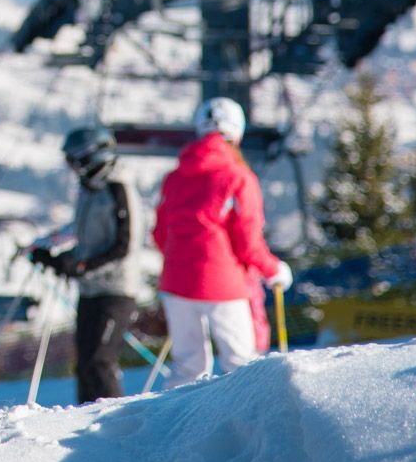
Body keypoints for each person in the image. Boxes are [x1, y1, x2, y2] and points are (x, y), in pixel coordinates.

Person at [151, 98, 291, 384]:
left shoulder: (175, 177)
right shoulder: (238, 177)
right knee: (242, 367)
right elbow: (249, 240)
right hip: (223, 284)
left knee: (187, 369)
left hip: (176, 283)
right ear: (237, 133)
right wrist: (273, 269)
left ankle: (176, 428)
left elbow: (160, 234)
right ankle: (247, 427)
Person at [28, 127, 155, 402]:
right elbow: (80, 232)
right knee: (85, 364)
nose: (74, 170)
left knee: (100, 362)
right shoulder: (89, 191)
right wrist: (48, 248)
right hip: (90, 291)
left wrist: (83, 265)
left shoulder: (117, 189)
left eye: (77, 162)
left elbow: (123, 246)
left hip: (115, 291)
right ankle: (85, 428)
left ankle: (111, 426)